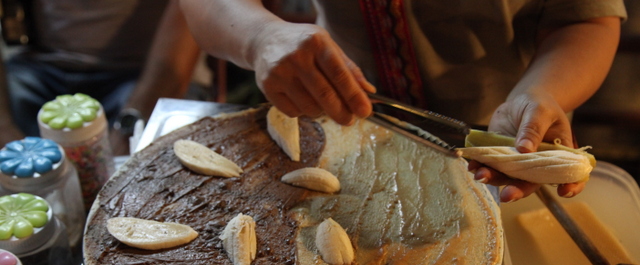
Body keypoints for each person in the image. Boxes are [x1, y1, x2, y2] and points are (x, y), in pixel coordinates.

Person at [178, 0, 626, 202]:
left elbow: (586, 18)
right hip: (347, 127)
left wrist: (542, 92)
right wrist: (260, 36)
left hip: (505, 133)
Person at [0, 0, 201, 155]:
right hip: (39, 66)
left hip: (141, 72)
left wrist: (133, 121)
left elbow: (189, 9)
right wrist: (4, 127)